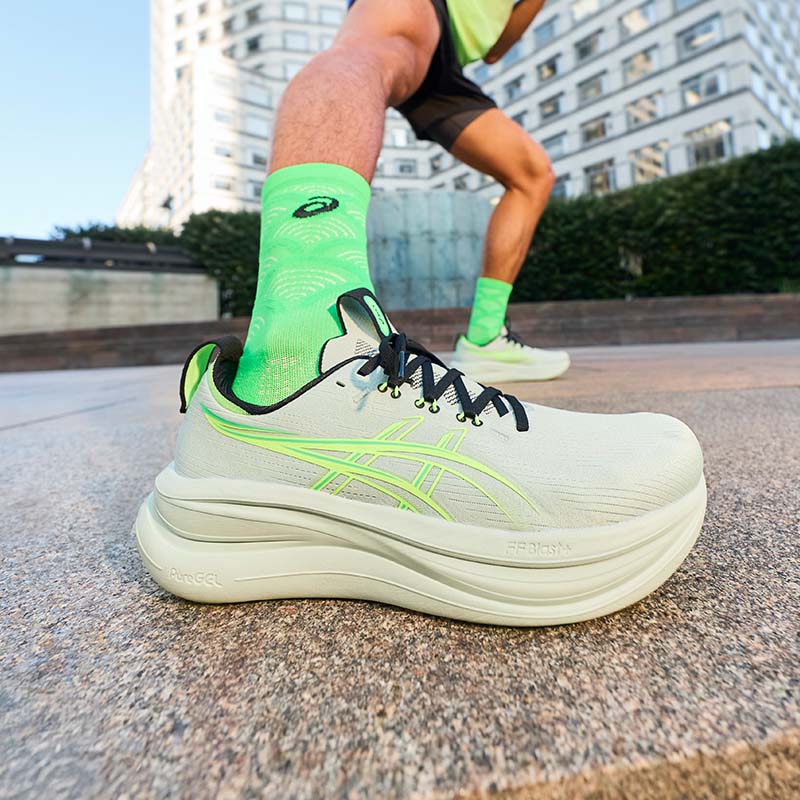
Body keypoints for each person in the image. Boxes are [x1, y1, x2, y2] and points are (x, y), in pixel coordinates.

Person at [134, 0, 707, 626]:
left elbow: (495, 48)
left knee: (531, 173)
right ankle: (297, 364)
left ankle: (484, 334)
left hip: (449, 60)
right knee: (370, 55)